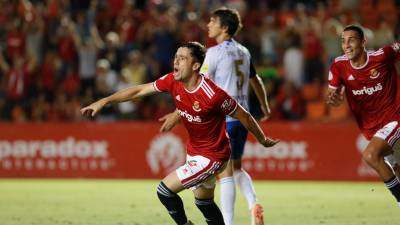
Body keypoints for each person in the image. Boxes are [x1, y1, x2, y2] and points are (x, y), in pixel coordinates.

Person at [81, 42, 279, 225]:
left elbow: (244, 116)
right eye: (176, 56)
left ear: (195, 66)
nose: (176, 60)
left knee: (164, 191)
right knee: (204, 203)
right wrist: (104, 101)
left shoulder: (213, 95)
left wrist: (262, 139)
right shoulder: (172, 81)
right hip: (195, 151)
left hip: (213, 156)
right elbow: (138, 91)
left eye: (182, 58)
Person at [160, 8, 271, 225]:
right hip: (242, 116)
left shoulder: (214, 53)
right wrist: (265, 107)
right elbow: (255, 80)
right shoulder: (244, 52)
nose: (208, 25)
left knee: (225, 174)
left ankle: (228, 223)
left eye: (213, 21)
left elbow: (196, 85)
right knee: (235, 168)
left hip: (222, 118)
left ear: (224, 28)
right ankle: (253, 203)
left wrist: (178, 113)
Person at [326, 25, 400, 207]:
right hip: (372, 128)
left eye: (351, 40)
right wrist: (334, 99)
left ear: (363, 42)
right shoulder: (338, 65)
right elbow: (332, 95)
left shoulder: (382, 56)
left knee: (370, 155)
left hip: (394, 117)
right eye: (343, 41)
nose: (346, 45)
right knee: (397, 170)